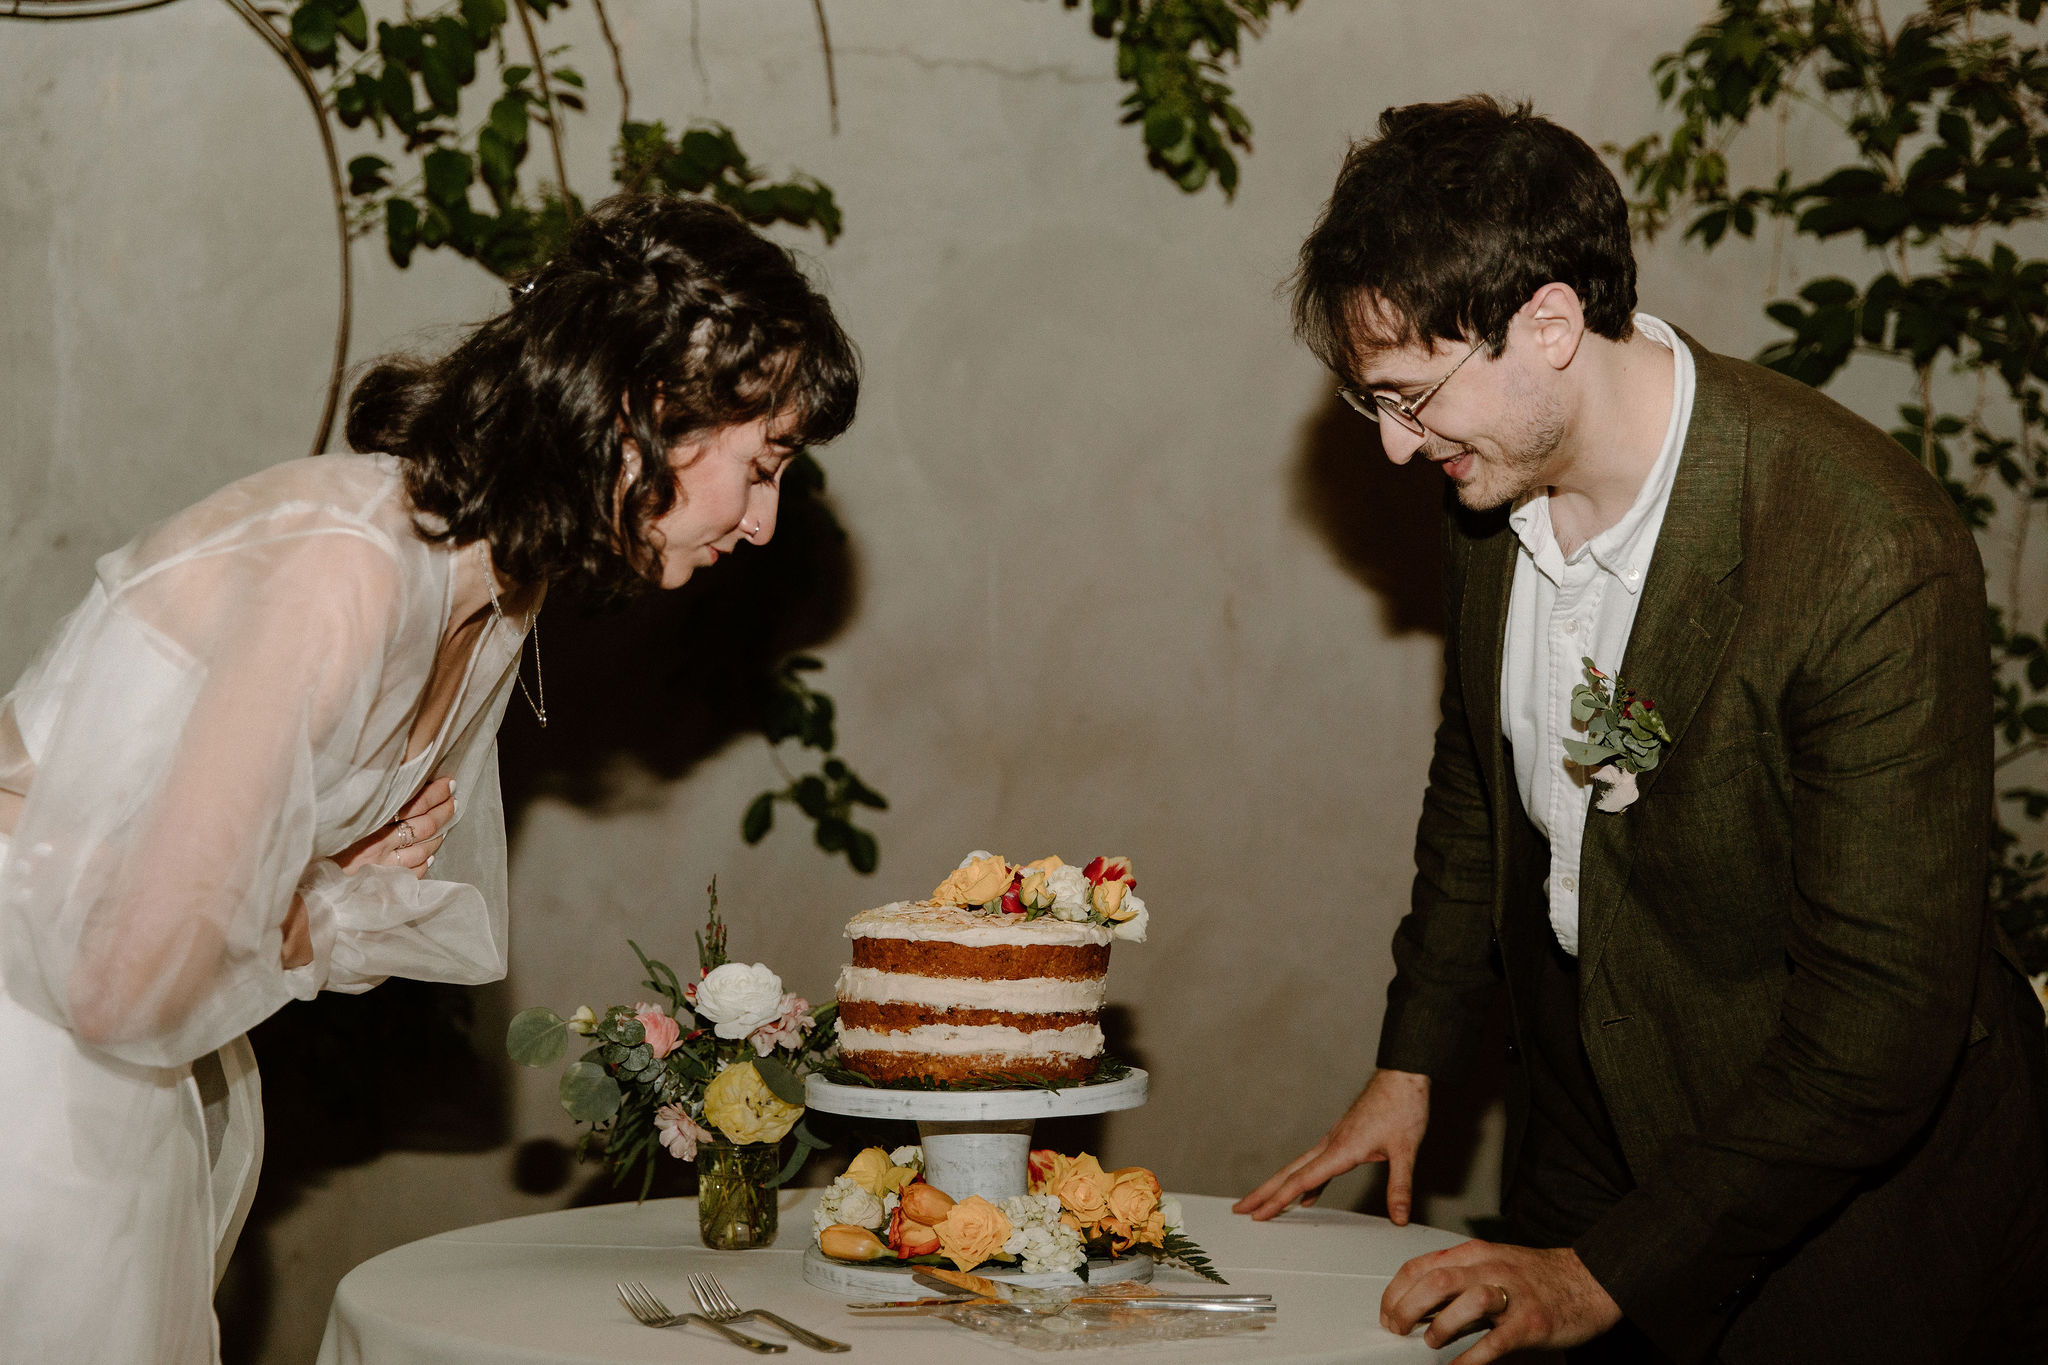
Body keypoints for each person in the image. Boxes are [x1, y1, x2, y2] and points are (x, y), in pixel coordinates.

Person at [1235, 97, 2048, 1364]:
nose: (1395, 449)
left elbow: (1880, 1028)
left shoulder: (1863, 552)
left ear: (1547, 324)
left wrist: (1607, 1272)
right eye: (1369, 404)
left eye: (1410, 396)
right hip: (1583, 1132)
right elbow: (1477, 787)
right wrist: (1415, 1060)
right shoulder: (1487, 495)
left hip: (1849, 1219)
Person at [0, 193, 859, 1363]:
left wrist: (311, 881)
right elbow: (118, 985)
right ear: (650, 413)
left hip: (112, 1064)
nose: (762, 521)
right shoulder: (346, 572)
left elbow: (276, 881)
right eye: (761, 464)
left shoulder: (499, 590)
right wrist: (308, 911)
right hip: (33, 1042)